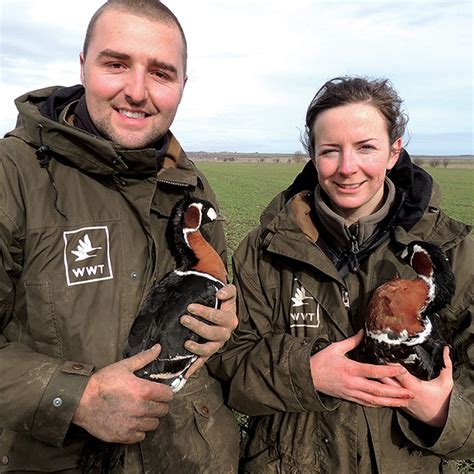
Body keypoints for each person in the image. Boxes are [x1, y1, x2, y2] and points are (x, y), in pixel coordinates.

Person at [0, 1, 239, 472]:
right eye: (116, 64)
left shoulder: (188, 186)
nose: (137, 91)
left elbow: (222, 295)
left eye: (161, 73)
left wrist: (222, 325)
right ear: (84, 66)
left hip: (191, 457)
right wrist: (76, 396)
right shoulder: (13, 176)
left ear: (182, 87)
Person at [210, 77, 473, 473]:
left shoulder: (452, 252)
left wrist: (443, 414)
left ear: (393, 151)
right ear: (313, 156)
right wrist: (306, 373)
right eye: (330, 151)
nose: (347, 168)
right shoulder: (264, 250)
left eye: (366, 147)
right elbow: (229, 366)